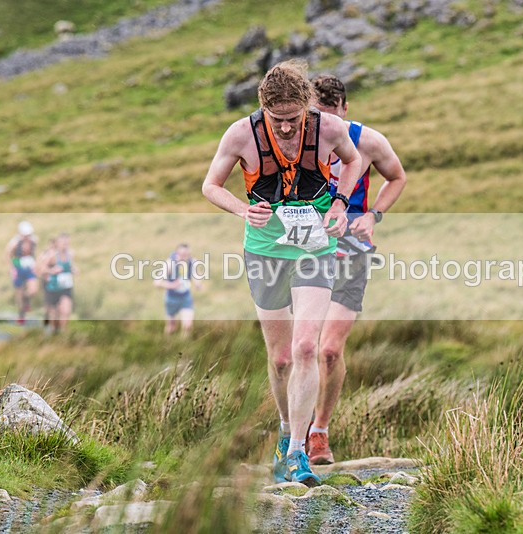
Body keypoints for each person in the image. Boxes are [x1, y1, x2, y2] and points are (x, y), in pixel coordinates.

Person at [202, 60, 361, 486]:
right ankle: (286, 431)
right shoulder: (241, 134)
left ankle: (297, 455)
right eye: (278, 120)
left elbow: (354, 161)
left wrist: (341, 203)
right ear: (263, 108)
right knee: (281, 358)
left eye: (294, 118)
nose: (287, 128)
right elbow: (210, 185)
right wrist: (242, 209)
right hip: (265, 250)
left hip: (315, 247)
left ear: (307, 107)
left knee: (307, 347)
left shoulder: (329, 128)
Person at [307, 74, 407, 465]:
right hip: (306, 253)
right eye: (318, 115)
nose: (326, 123)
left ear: (345, 109)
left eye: (332, 114)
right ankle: (292, 431)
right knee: (301, 350)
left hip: (352, 253)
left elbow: (397, 176)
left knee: (330, 351)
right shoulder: (298, 141)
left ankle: (319, 433)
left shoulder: (368, 141)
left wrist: (373, 215)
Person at [154, 243, 202, 336]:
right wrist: (171, 285)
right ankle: (167, 343)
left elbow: (196, 276)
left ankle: (183, 344)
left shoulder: (192, 262)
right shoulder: (169, 264)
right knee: (171, 327)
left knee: (187, 326)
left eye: (187, 255)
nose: (184, 258)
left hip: (186, 297)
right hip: (171, 299)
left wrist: (198, 284)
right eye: (182, 255)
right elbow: (157, 283)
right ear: (177, 253)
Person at [37, 233, 77, 334]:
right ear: (58, 243)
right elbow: (41, 269)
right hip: (53, 288)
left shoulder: (71, 254)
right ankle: (54, 332)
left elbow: (71, 265)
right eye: (62, 242)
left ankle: (64, 335)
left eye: (66, 243)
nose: (64, 245)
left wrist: (74, 269)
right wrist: (51, 270)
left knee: (66, 311)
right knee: (54, 317)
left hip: (66, 287)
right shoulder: (52, 255)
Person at [5, 221, 39, 325]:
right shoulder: (14, 243)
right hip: (18, 268)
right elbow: (9, 256)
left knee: (33, 290)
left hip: (29, 267)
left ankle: (26, 299)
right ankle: (21, 315)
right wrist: (13, 268)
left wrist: (35, 264)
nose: (27, 237)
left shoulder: (34, 240)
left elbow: (34, 253)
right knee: (19, 294)